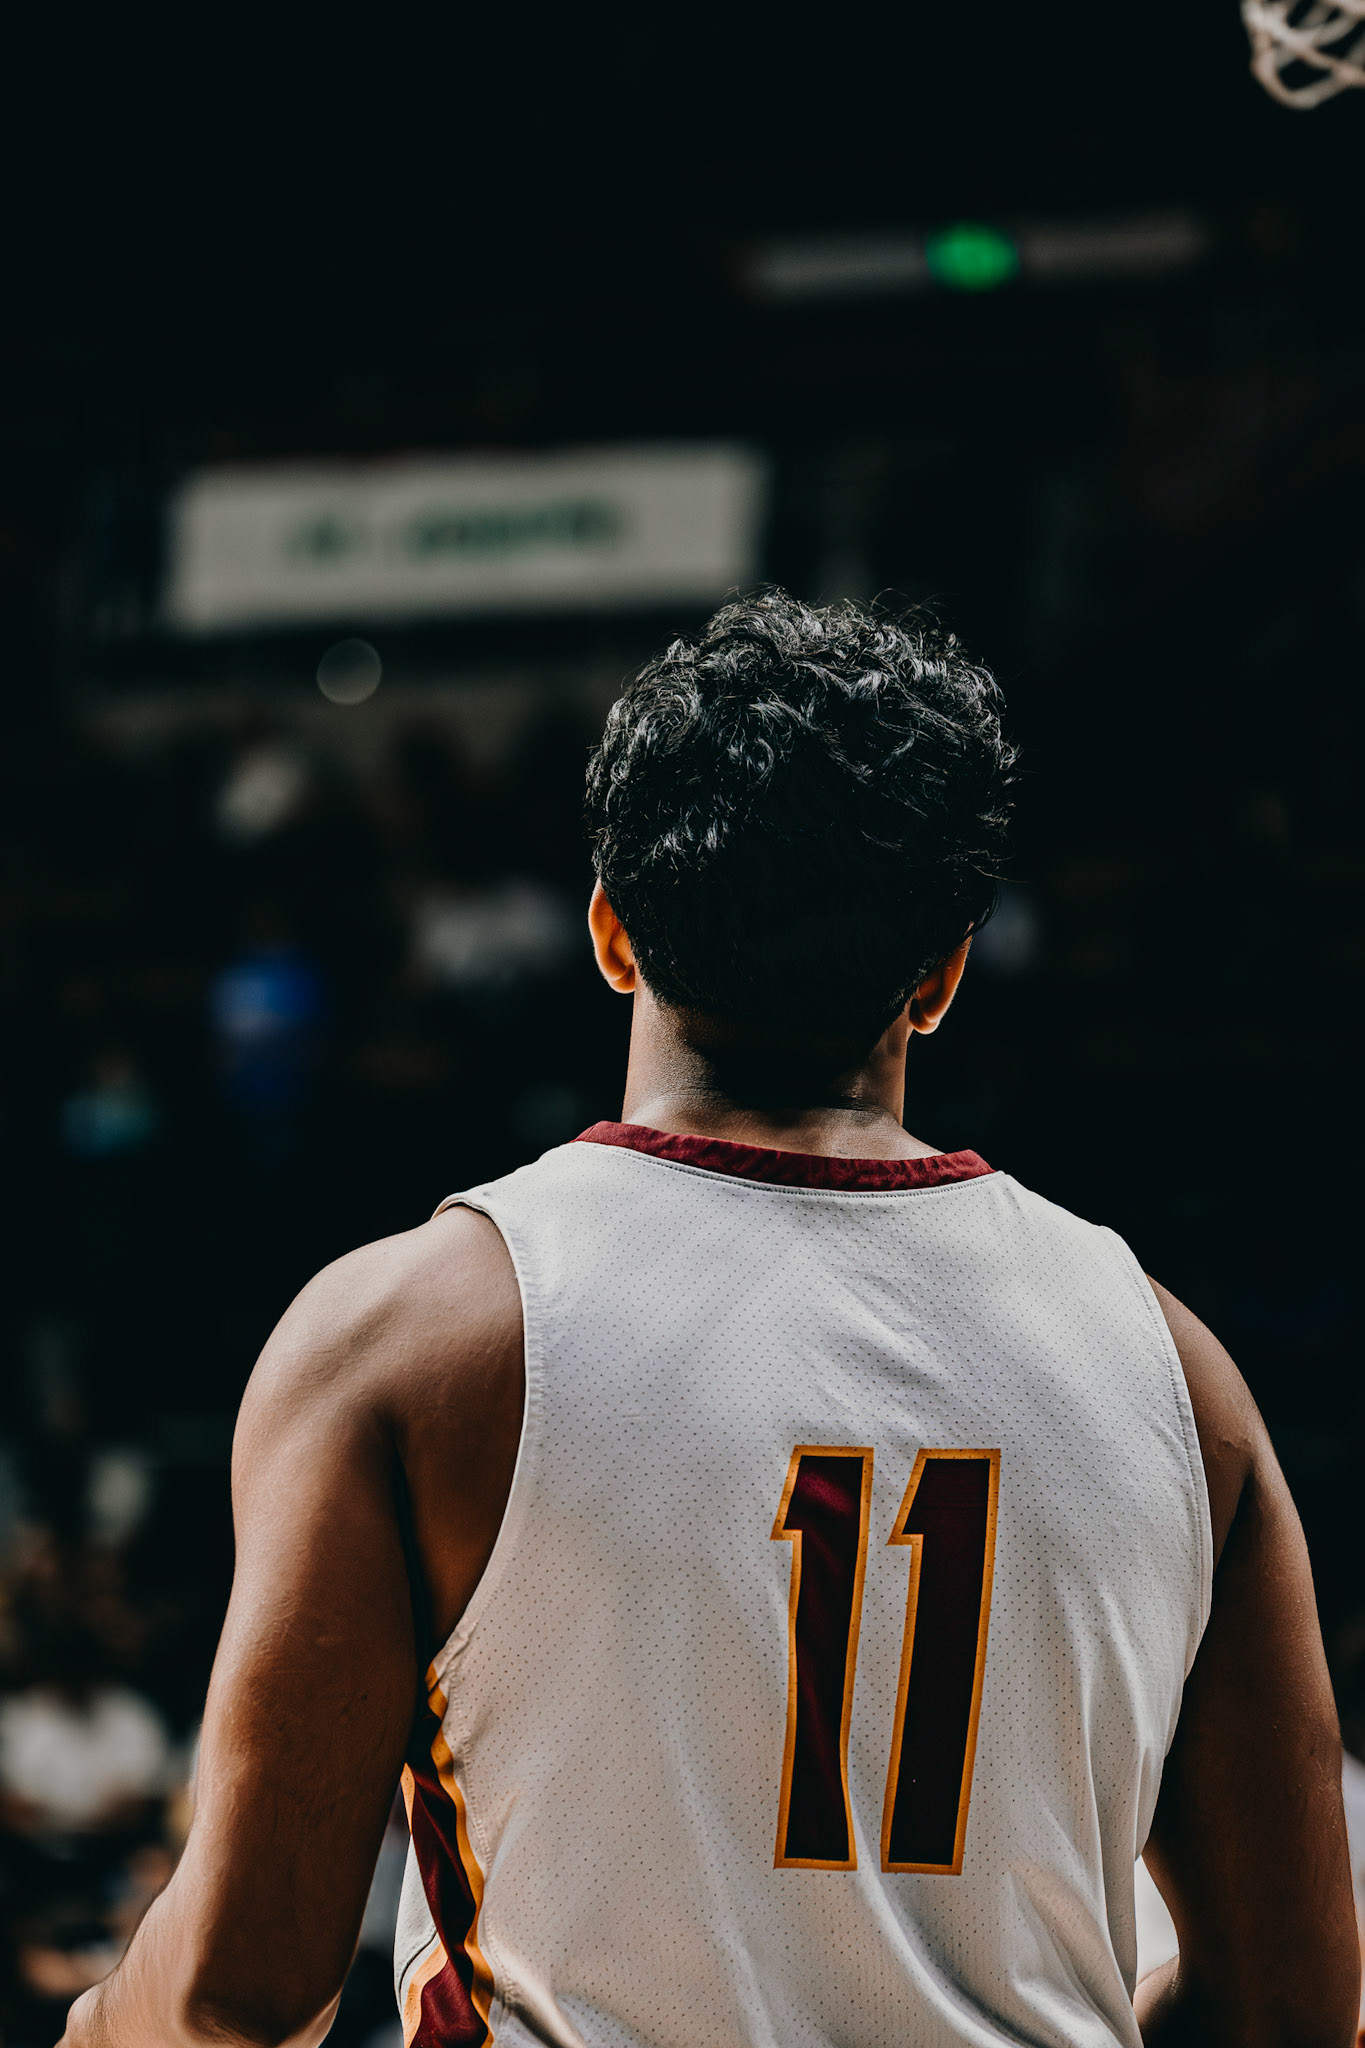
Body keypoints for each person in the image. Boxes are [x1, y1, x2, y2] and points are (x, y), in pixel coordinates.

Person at [61, 592, 1358, 2048]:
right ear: (942, 973)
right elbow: (1296, 2012)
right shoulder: (1180, 1381)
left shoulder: (409, 1342)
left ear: (611, 930)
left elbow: (242, 1992)